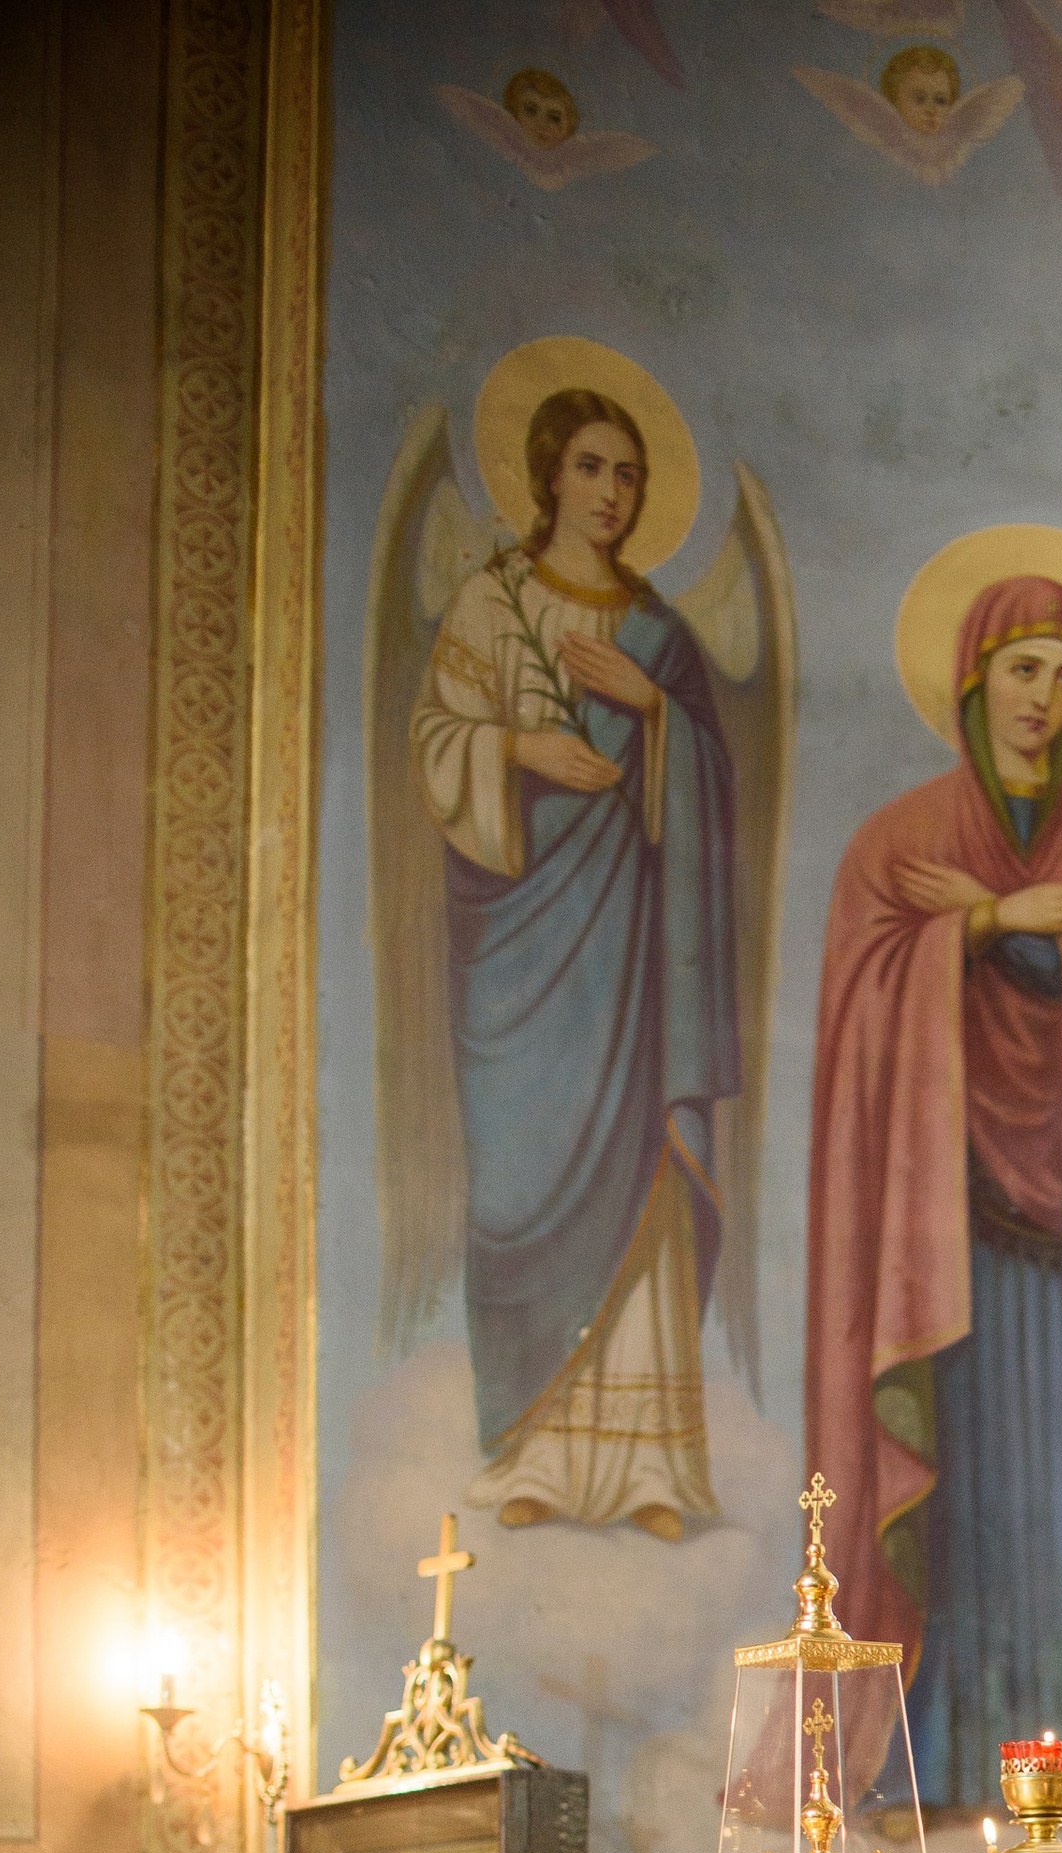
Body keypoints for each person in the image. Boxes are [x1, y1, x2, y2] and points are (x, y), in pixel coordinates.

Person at [805, 576, 1062, 1804]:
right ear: (971, 680)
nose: (1042, 699)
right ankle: (941, 1760)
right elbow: (862, 1019)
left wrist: (1028, 939)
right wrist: (985, 923)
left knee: (1056, 1498)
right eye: (1023, 670)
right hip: (941, 1246)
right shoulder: (898, 843)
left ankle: (1061, 1754)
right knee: (959, 1497)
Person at [410, 388, 740, 1539]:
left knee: (643, 1168)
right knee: (516, 1183)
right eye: (592, 467)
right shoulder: (489, 605)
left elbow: (710, 800)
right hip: (521, 946)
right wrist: (521, 748)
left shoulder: (660, 636)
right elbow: (437, 741)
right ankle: (532, 1454)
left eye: (629, 474)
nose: (610, 493)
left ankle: (650, 1468)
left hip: (636, 960)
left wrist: (655, 711)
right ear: (548, 474)